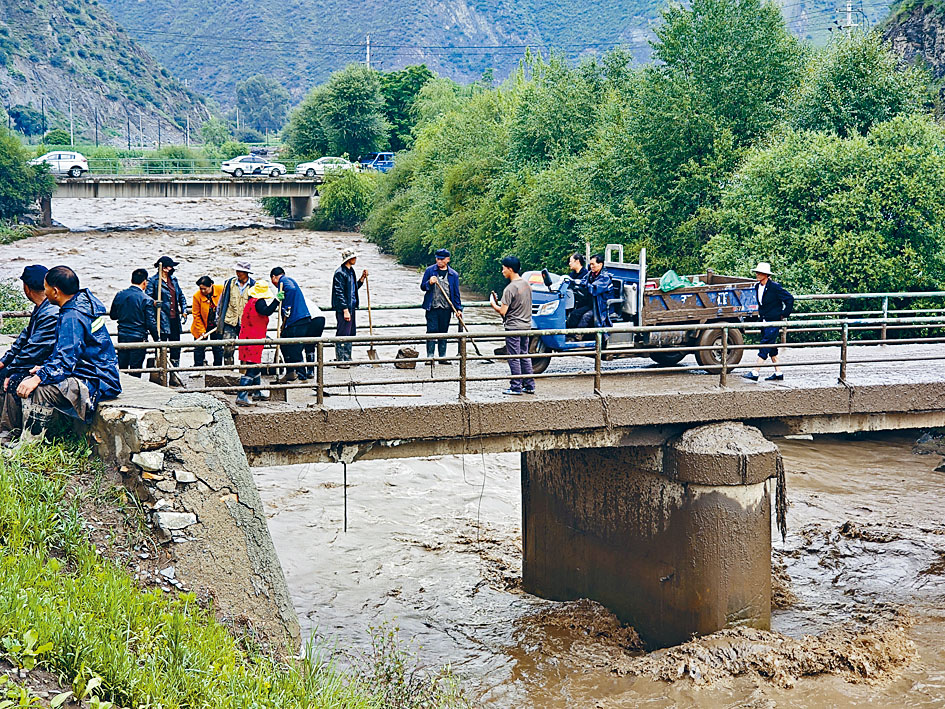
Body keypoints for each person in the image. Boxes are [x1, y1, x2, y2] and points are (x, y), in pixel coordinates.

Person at [6, 266, 121, 446]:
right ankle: (13, 435)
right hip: (91, 370)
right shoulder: (77, 304)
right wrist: (43, 368)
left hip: (98, 379)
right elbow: (67, 353)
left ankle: (29, 444)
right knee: (25, 379)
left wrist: (39, 377)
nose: (44, 292)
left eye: (45, 288)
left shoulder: (73, 316)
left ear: (55, 291)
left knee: (41, 390)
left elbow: (65, 361)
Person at [0, 266, 59, 442]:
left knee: (13, 380)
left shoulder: (50, 313)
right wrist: (5, 361)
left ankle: (9, 433)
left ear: (26, 287)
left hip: (46, 364)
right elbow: (24, 339)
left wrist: (11, 369)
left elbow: (33, 349)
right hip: (41, 361)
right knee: (4, 372)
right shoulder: (41, 308)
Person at [490, 255, 534, 395]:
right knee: (524, 355)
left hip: (514, 327)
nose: (502, 271)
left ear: (510, 269)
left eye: (503, 268)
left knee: (514, 356)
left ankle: (516, 387)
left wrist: (493, 304)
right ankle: (529, 385)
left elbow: (503, 311)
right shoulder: (526, 285)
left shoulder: (510, 288)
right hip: (526, 325)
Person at [743, 262, 794, 382]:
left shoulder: (775, 287)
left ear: (766, 275)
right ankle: (778, 372)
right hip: (764, 319)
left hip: (773, 320)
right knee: (771, 346)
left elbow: (789, 299)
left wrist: (784, 314)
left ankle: (755, 371)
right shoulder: (757, 286)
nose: (757, 274)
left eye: (760, 273)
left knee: (765, 344)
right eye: (757, 272)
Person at [270, 267, 321, 382]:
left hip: (296, 320)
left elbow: (291, 290)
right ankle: (291, 371)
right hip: (300, 319)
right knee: (285, 344)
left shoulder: (284, 281)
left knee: (294, 348)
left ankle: (301, 374)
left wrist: (287, 307)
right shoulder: (290, 280)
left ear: (273, 277)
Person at [235, 282, 280, 407]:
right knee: (252, 367)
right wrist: (276, 301)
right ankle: (241, 395)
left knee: (256, 365)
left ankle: (257, 391)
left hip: (248, 337)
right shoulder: (259, 302)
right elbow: (266, 311)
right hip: (253, 340)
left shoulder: (250, 302)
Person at [109, 268, 158, 377]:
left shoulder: (120, 295)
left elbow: (113, 315)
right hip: (138, 337)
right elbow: (151, 323)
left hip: (122, 335)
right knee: (136, 369)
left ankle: (122, 386)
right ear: (145, 282)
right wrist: (157, 340)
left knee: (122, 367)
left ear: (131, 280)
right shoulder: (146, 299)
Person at [420, 248, 463, 364]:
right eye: (437, 259)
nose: (439, 261)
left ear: (447, 260)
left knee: (443, 332)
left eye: (442, 259)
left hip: (446, 308)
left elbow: (456, 293)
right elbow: (422, 287)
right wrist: (429, 282)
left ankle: (442, 357)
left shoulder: (453, 275)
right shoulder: (430, 271)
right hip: (432, 307)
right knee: (431, 331)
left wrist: (458, 309)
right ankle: (430, 357)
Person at [145, 256, 187, 368]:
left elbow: (181, 296)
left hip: (174, 318)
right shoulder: (153, 281)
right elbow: (147, 299)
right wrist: (154, 302)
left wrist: (184, 310)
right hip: (161, 319)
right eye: (171, 267)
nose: (173, 269)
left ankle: (174, 370)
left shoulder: (173, 280)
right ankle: (161, 369)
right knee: (161, 346)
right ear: (164, 268)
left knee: (176, 346)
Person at [331, 248, 367, 367]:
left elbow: (353, 288)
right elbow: (339, 293)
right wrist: (345, 310)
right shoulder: (340, 273)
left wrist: (362, 278)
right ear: (349, 259)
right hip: (344, 309)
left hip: (351, 307)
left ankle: (347, 358)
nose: (356, 259)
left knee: (350, 332)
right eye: (354, 257)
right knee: (343, 333)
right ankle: (341, 360)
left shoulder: (351, 271)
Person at [215, 261, 256, 366]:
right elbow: (222, 302)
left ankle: (244, 371)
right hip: (230, 321)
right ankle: (229, 371)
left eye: (240, 272)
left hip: (246, 323)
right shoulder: (229, 284)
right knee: (228, 349)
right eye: (237, 271)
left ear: (246, 273)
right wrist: (218, 318)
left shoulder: (253, 286)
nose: (238, 273)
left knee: (245, 350)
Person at [577, 253, 614, 336]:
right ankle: (570, 335)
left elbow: (594, 289)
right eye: (590, 264)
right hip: (593, 304)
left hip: (601, 306)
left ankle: (579, 336)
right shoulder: (590, 274)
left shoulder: (605, 277)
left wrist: (584, 285)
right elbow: (583, 281)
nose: (591, 266)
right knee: (575, 313)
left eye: (593, 264)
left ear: (600, 264)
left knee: (586, 317)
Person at [191, 276, 224, 369]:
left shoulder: (221, 290)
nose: (202, 291)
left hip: (217, 325)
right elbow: (196, 315)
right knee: (199, 348)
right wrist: (201, 331)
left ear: (211, 285)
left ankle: (217, 368)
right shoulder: (197, 296)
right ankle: (198, 368)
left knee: (217, 348)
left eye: (204, 289)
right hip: (202, 325)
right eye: (200, 288)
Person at [566, 252, 592, 331]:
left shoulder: (586, 275)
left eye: (571, 261)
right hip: (573, 301)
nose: (569, 264)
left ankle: (571, 334)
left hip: (585, 303)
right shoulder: (572, 274)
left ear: (577, 261)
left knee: (574, 314)